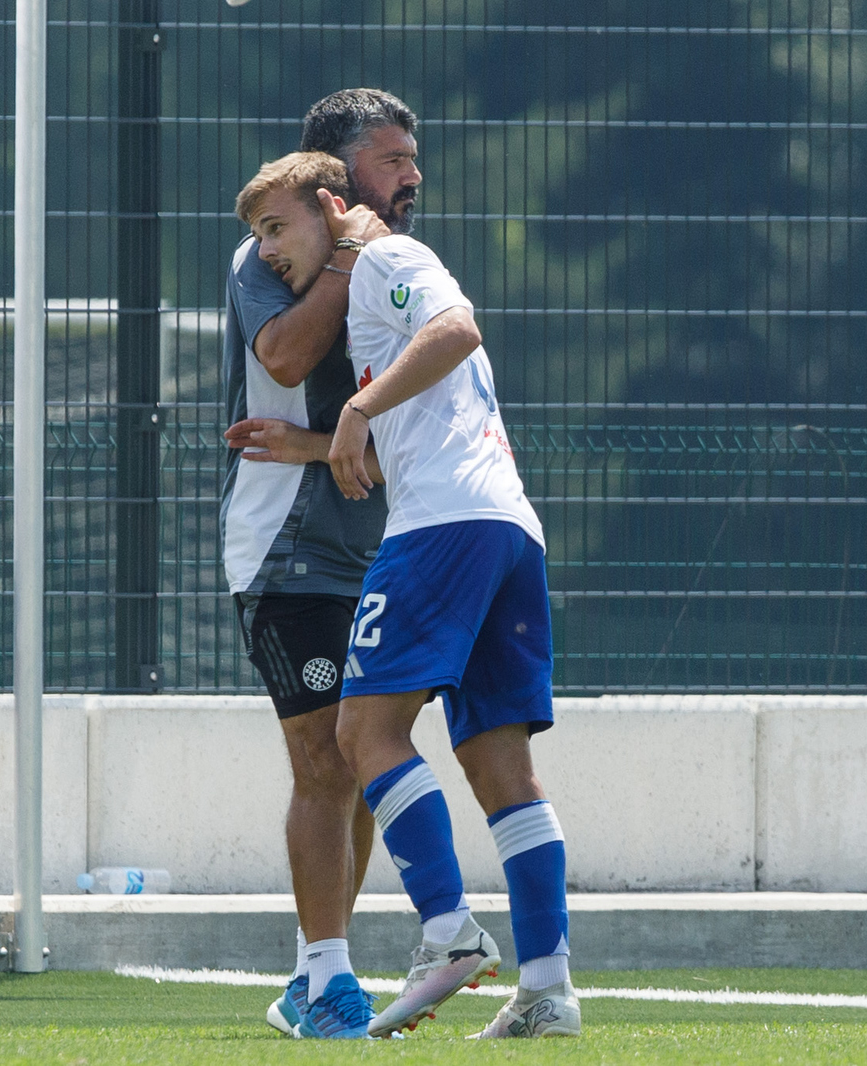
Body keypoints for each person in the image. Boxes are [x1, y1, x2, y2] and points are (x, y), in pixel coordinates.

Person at [320, 166, 582, 1038]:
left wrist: (356, 407)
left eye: (277, 229)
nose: (416, 174)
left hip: (442, 531)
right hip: (507, 525)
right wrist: (318, 441)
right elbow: (424, 433)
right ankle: (547, 990)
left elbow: (458, 327)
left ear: (329, 200)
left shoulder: (380, 255)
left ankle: (447, 933)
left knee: (364, 733)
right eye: (398, 159)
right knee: (500, 767)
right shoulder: (376, 285)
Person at [218, 89, 421, 1040]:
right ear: (334, 180)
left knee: (364, 754)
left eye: (412, 159)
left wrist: (321, 448)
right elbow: (291, 359)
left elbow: (430, 432)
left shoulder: (401, 271)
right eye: (389, 161)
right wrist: (345, 250)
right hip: (287, 553)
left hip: (382, 547)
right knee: (326, 761)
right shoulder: (268, 259)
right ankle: (327, 980)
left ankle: (322, 971)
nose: (411, 177)